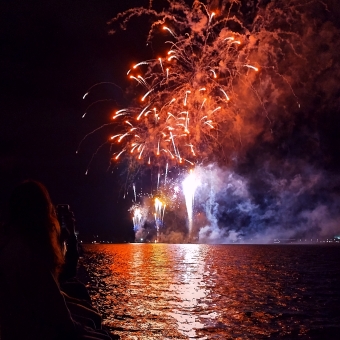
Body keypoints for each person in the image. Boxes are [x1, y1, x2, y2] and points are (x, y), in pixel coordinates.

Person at [0, 180, 117, 340]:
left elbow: (59, 282)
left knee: (80, 295)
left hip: (21, 325)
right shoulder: (30, 253)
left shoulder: (13, 242)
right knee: (102, 333)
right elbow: (58, 312)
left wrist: (65, 237)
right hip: (31, 330)